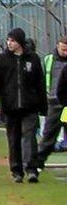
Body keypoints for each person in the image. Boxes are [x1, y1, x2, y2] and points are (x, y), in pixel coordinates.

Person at [0, 28, 49, 183]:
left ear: (20, 42)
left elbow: (39, 83)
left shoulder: (33, 59)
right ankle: (16, 170)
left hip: (30, 106)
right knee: (13, 139)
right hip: (10, 106)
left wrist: (43, 105)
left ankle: (32, 169)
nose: (9, 43)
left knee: (29, 136)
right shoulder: (2, 60)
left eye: (13, 40)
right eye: (8, 40)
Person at [36, 36, 67, 173]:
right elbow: (41, 80)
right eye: (63, 49)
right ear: (58, 46)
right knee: (49, 135)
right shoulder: (48, 60)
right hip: (54, 101)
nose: (65, 52)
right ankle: (37, 163)